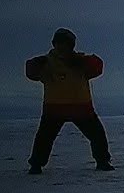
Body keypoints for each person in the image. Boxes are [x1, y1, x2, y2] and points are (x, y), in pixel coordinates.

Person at [25, 28, 113, 174]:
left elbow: (98, 67)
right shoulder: (47, 63)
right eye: (59, 43)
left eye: (65, 44)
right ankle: (36, 165)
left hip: (75, 108)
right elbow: (31, 72)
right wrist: (36, 63)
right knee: (44, 139)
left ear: (71, 45)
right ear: (54, 44)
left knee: (97, 136)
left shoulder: (78, 62)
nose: (61, 47)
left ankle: (103, 161)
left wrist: (86, 60)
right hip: (64, 109)